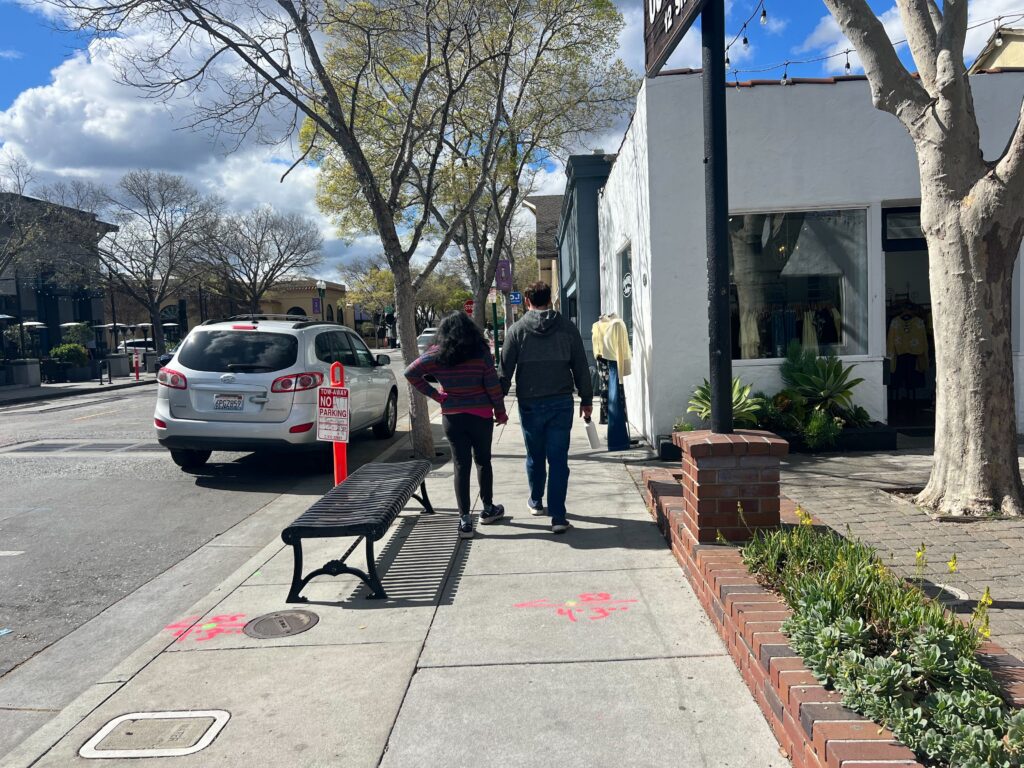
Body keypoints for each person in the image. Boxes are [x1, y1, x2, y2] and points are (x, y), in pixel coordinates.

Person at [405, 311, 508, 540]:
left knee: (461, 466)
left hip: (452, 416)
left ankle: (465, 521)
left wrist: (436, 395)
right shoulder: (481, 353)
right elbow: (492, 385)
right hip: (481, 416)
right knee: (483, 461)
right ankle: (488, 509)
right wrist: (500, 412)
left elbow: (410, 372)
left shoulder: (437, 354)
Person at [500, 281, 593, 534]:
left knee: (535, 455)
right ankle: (558, 516)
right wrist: (586, 399)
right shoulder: (567, 328)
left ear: (527, 300)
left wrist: (498, 405)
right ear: (550, 300)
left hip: (530, 402)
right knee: (558, 459)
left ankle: (536, 500)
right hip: (561, 401)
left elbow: (504, 371)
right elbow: (581, 366)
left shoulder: (517, 330)